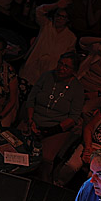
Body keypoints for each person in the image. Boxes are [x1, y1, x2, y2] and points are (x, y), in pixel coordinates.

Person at [24, 51, 85, 182]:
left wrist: (49, 131)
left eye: (66, 66)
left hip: (56, 128)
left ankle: (42, 183)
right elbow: (31, 100)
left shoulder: (77, 89)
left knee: (45, 158)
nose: (61, 68)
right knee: (18, 146)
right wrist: (30, 121)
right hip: (34, 121)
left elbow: (73, 117)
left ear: (73, 70)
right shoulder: (47, 76)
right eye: (60, 63)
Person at [18, 0, 77, 85]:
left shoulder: (71, 38)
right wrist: (56, 5)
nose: (59, 19)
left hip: (49, 75)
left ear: (67, 19)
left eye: (63, 17)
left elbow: (67, 58)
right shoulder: (46, 25)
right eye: (58, 15)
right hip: (32, 68)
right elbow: (39, 11)